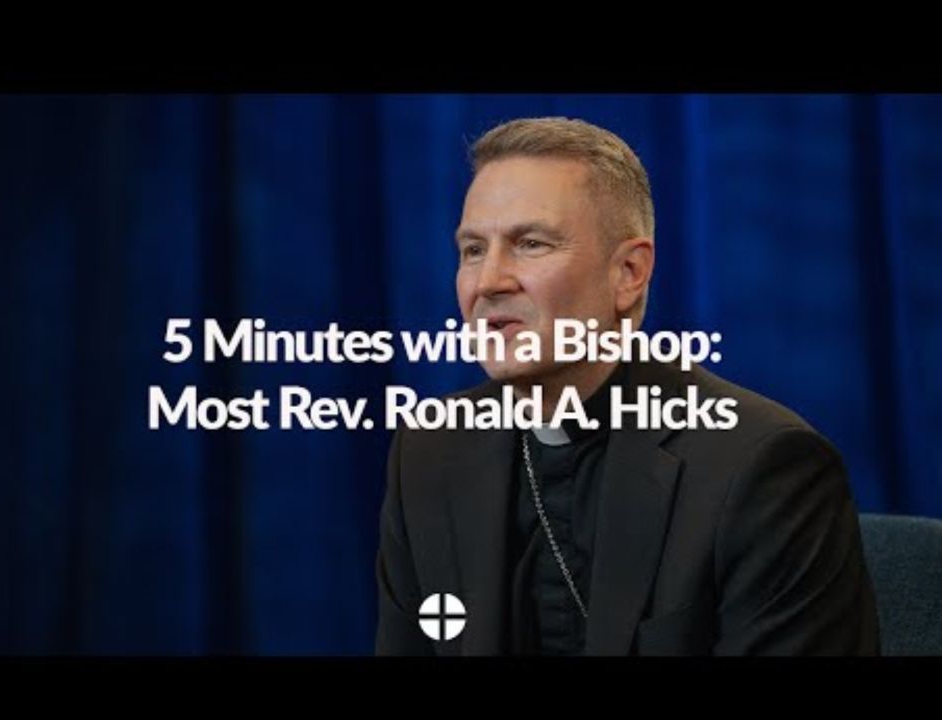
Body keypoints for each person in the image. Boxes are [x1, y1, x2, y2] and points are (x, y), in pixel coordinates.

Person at [374, 117, 880, 655]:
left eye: (531, 243)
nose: (488, 281)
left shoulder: (761, 468)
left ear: (629, 273)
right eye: (473, 250)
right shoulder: (431, 450)